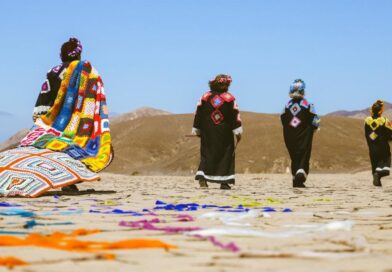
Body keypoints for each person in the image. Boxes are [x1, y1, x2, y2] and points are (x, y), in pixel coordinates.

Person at [0, 37, 113, 197]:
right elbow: (94, 99)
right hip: (79, 125)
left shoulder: (54, 72)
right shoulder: (89, 72)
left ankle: (21, 176)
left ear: (62, 55)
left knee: (37, 150)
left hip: (53, 122)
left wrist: (42, 120)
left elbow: (45, 96)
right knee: (74, 152)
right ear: (78, 54)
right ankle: (68, 182)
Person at [192, 74, 242, 190]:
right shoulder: (229, 98)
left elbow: (198, 114)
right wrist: (238, 132)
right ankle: (224, 182)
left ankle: (202, 178)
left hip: (207, 131)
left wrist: (197, 129)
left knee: (207, 153)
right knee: (226, 153)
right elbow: (235, 116)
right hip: (224, 132)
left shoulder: (205, 97)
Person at [280, 79, 320, 187]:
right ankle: (300, 174)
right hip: (304, 135)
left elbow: (282, 120)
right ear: (303, 90)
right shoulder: (307, 104)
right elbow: (315, 120)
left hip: (289, 135)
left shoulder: (286, 105)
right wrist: (314, 128)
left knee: (294, 155)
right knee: (303, 153)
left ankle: (295, 178)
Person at [364, 100, 392, 187]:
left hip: (372, 147)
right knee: (384, 165)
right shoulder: (384, 121)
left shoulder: (367, 121)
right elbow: (389, 133)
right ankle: (379, 175)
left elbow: (367, 134)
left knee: (375, 164)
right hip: (383, 148)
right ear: (380, 111)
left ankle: (377, 179)